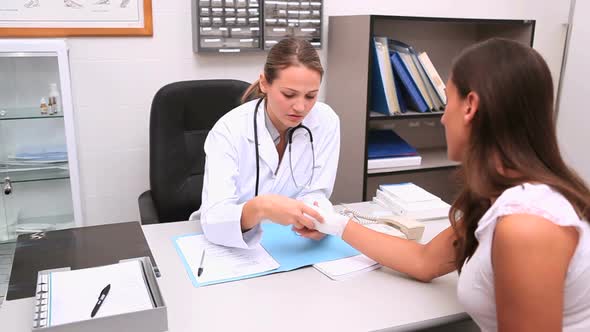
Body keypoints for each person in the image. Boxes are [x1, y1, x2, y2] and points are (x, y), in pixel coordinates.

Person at [309, 38, 590, 331]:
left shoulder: (528, 225)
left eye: (447, 101)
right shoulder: (500, 198)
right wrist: (335, 224)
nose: (443, 118)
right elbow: (424, 261)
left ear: (470, 106)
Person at [192, 38, 340, 249]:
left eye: (311, 96)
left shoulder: (326, 121)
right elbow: (214, 219)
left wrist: (318, 219)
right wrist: (261, 207)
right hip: (225, 246)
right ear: (264, 83)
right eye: (289, 94)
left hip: (288, 242)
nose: (300, 107)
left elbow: (316, 192)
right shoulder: (229, 130)